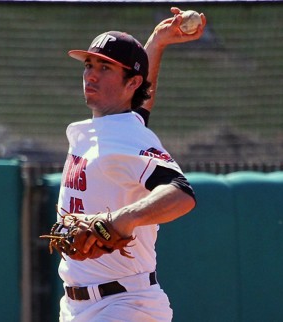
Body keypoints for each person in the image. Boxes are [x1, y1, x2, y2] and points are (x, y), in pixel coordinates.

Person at [54, 7, 206, 322]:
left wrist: (121, 221)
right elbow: (139, 104)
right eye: (89, 64)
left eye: (105, 68)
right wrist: (157, 41)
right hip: (77, 307)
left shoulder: (127, 137)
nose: (91, 74)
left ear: (131, 82)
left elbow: (181, 192)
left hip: (123, 306)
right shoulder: (112, 126)